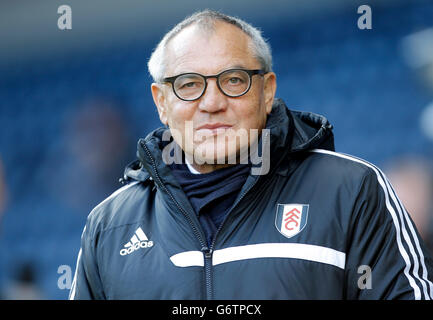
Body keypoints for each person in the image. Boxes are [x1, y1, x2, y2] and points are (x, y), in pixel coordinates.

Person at [69, 10, 433, 300]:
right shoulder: (110, 226)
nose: (212, 103)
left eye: (233, 80)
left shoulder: (352, 191)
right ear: (162, 102)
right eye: (189, 84)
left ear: (266, 90)